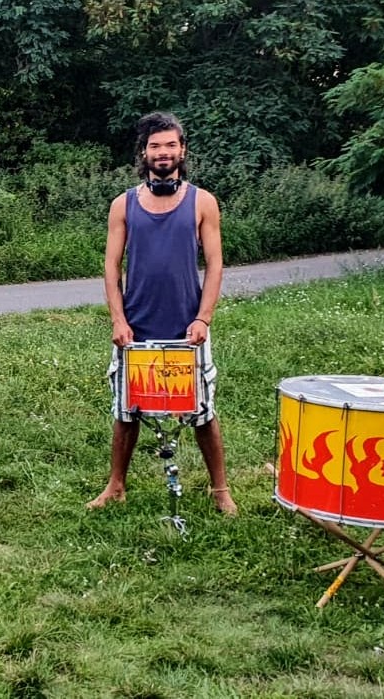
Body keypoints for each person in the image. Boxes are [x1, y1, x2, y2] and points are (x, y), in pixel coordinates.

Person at [89, 112, 236, 516]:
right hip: (136, 329)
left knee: (203, 411)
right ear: (144, 153)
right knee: (126, 410)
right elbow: (110, 267)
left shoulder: (202, 202)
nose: (164, 153)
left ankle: (220, 488)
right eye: (156, 146)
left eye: (171, 145)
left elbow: (216, 264)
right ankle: (116, 484)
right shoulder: (123, 204)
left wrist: (203, 319)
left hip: (188, 329)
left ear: (182, 150)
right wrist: (119, 321)